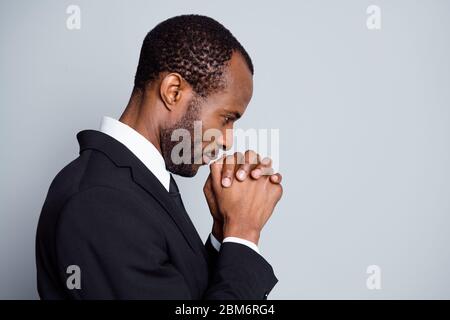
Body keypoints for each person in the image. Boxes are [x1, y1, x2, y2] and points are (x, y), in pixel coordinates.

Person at [36, 14, 283, 299]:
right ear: (173, 91)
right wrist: (244, 234)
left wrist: (223, 232)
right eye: (226, 118)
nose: (228, 140)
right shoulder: (101, 202)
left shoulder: (137, 183)